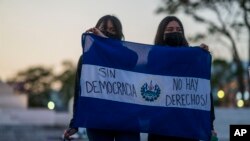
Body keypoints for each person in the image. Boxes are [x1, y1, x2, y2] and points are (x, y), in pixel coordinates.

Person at [63, 15, 140, 141]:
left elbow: (132, 59)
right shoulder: (86, 59)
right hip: (97, 120)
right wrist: (75, 124)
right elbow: (79, 91)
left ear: (119, 34)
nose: (107, 32)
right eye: (103, 29)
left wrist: (105, 41)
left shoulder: (125, 55)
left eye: (112, 30)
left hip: (127, 118)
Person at [147, 16, 216, 141]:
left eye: (179, 30)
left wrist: (200, 55)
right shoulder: (154, 55)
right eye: (170, 29)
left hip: (187, 126)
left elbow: (204, 93)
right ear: (161, 34)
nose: (175, 32)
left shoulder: (194, 58)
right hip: (161, 126)